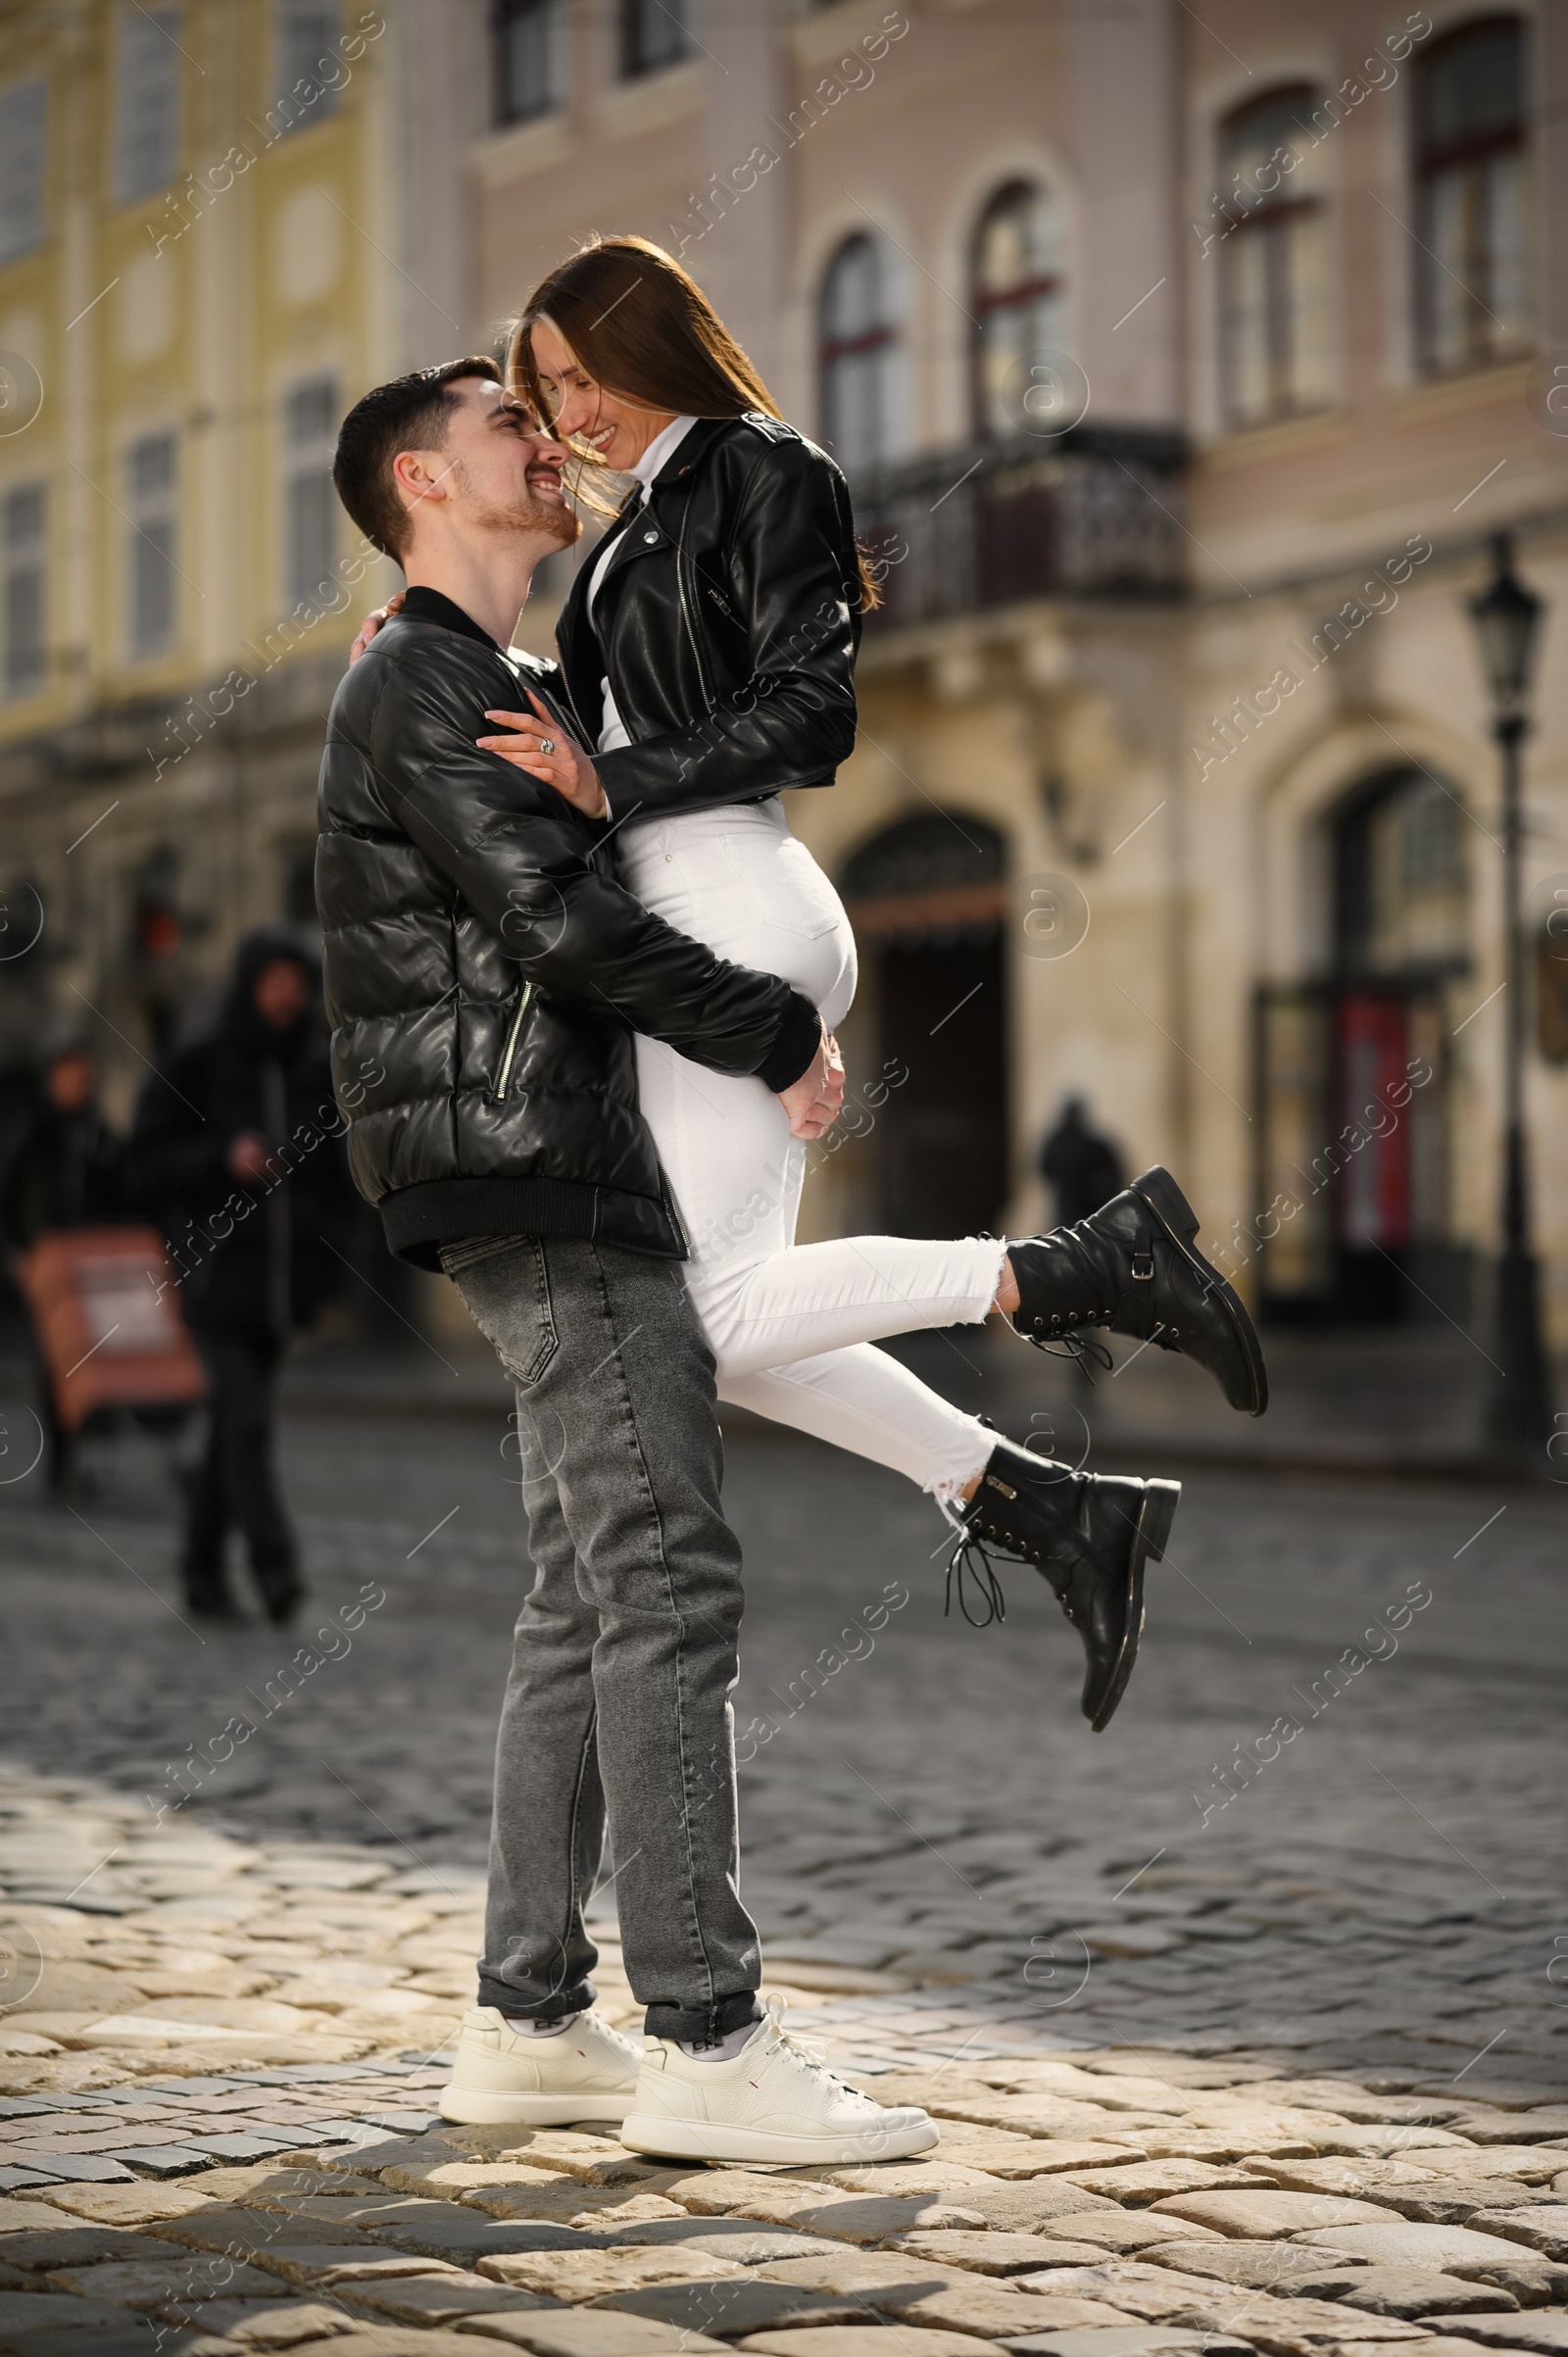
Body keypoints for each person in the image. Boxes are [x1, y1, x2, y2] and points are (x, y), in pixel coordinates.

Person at [324, 354, 1260, 2153]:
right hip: (548, 1174)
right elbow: (561, 925)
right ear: (423, 487)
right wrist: (773, 1030)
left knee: (587, 1598)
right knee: (668, 1586)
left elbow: (670, 791)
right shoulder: (431, 677)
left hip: (549, 1165)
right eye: (503, 425)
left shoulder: (508, 674)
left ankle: (527, 2019)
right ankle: (705, 2043)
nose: (544, 438)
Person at [127, 927, 352, 1624]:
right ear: (250, 983)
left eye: (296, 980)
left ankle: (200, 1570)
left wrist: (327, 1245)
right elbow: (143, 1162)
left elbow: (340, 1173)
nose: (286, 993)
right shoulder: (201, 1062)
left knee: (234, 1424)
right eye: (274, 979)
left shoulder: (315, 1067)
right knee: (248, 1422)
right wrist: (221, 1157)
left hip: (285, 1284)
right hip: (214, 1275)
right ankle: (275, 1565)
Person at [1, 1034, 126, 1490]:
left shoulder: (99, 1136)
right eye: (71, 1074)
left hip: (95, 1266)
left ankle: (86, 1454)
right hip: (49, 1265)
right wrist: (17, 1251)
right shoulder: (32, 1138)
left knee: (96, 1360)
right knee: (58, 1364)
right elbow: (11, 1200)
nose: (80, 1083)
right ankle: (62, 1462)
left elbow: (122, 1192)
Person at [1041, 1097, 1126, 1229]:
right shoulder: (1093, 1143)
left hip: (1082, 1206)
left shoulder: (1090, 1143)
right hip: (1076, 1206)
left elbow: (1044, 1169)